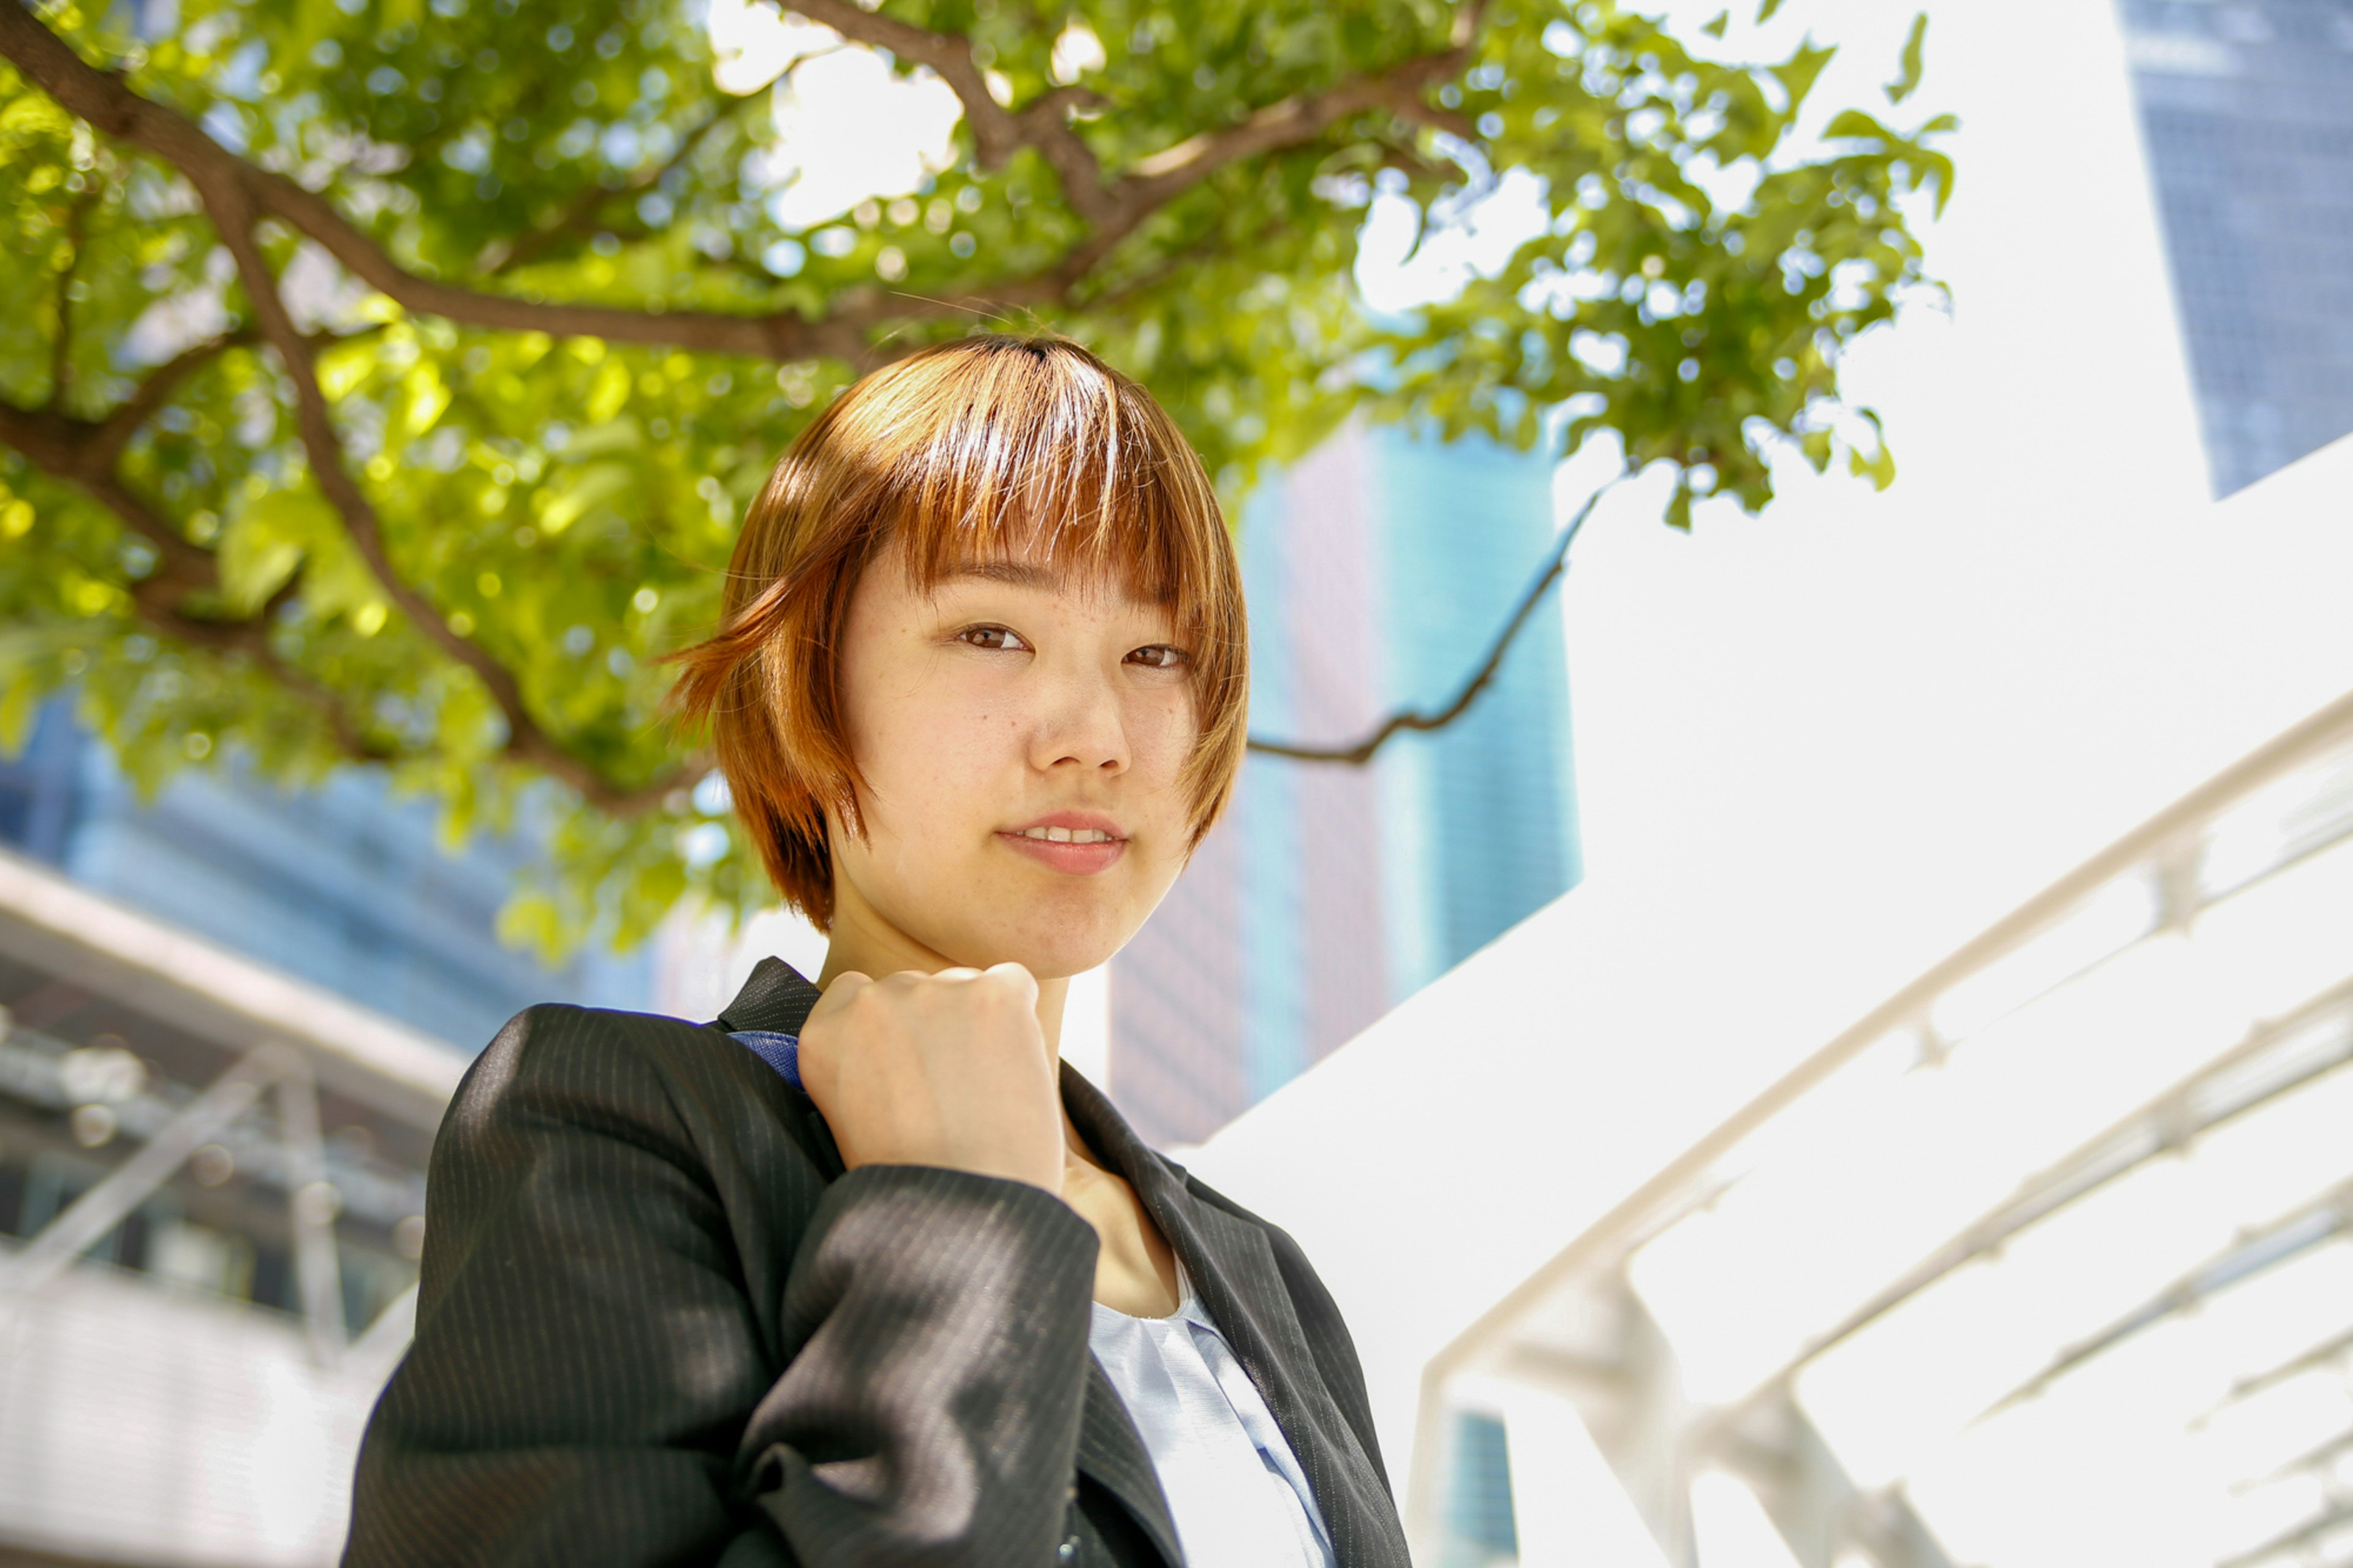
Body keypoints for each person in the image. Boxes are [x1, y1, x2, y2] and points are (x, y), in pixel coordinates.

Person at [343, 335, 1409, 1567]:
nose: (1093, 733)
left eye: (1155, 654)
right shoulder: (612, 1125)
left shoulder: (1260, 1269)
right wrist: (958, 1226)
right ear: (807, 692)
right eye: (990, 633)